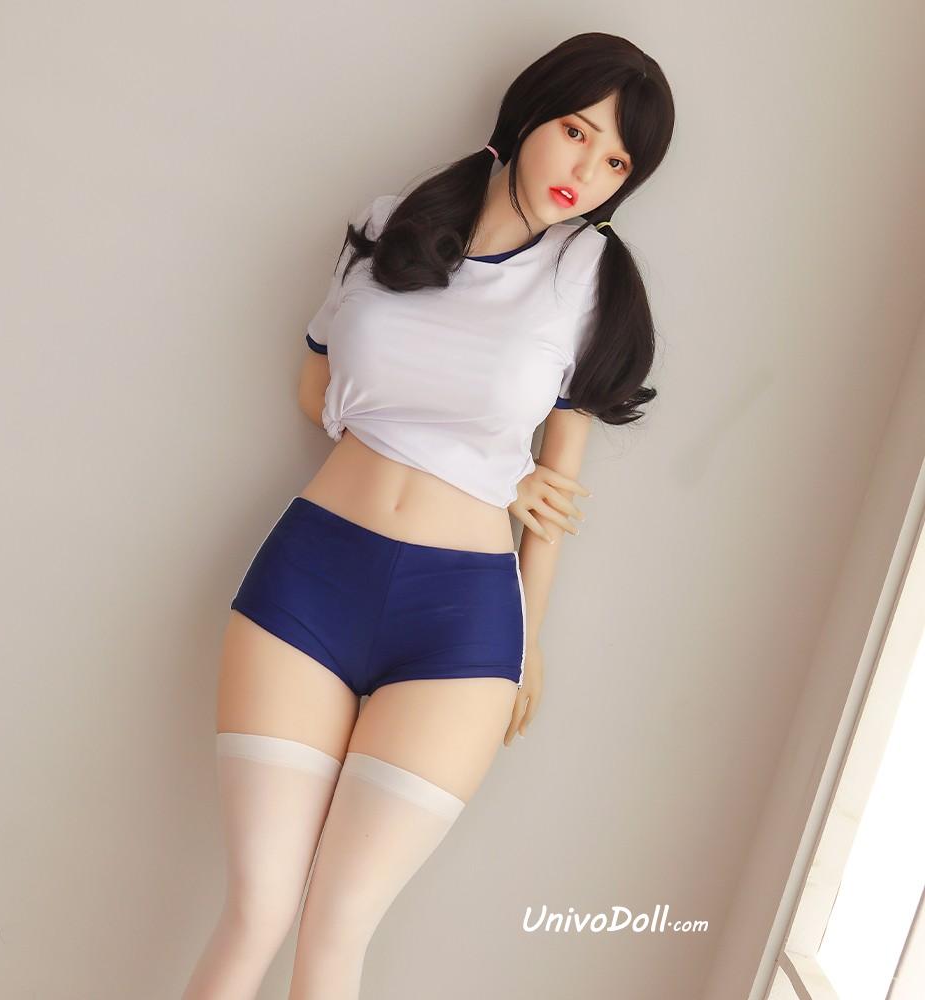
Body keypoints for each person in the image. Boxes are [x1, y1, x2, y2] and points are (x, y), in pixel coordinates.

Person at [182, 30, 675, 1000]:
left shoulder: (591, 279)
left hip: (461, 623)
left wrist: (529, 637)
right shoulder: (390, 224)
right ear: (527, 115)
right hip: (308, 585)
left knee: (335, 932)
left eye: (616, 161)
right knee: (257, 908)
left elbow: (556, 490)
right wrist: (474, 462)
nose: (586, 171)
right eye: (577, 132)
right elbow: (316, 389)